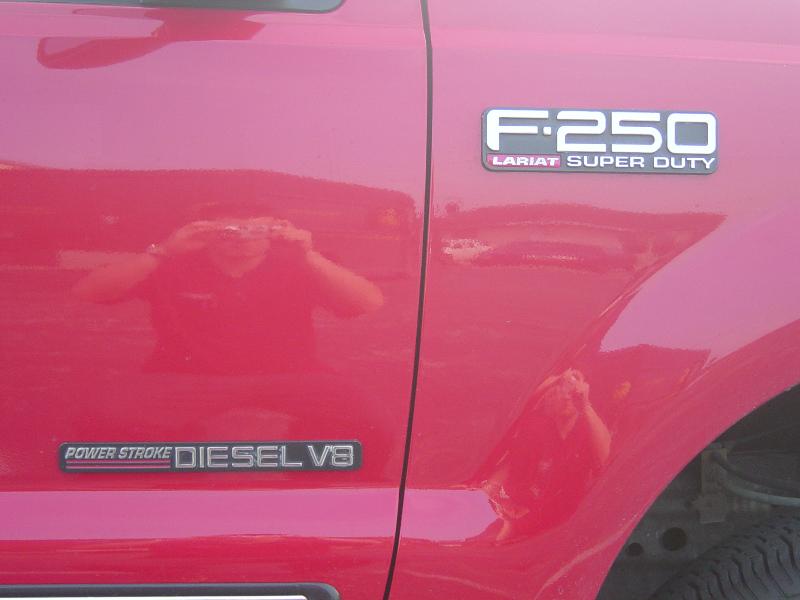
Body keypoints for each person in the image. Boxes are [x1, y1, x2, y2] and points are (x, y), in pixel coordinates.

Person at [73, 214, 384, 375]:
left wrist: (308, 254)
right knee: (107, 422)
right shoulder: (174, 264)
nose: (241, 239)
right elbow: (89, 293)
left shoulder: (299, 264)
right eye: (229, 230)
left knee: (367, 426)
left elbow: (367, 303)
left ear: (275, 232)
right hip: (182, 377)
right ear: (205, 231)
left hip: (290, 375)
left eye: (254, 230)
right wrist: (163, 251)